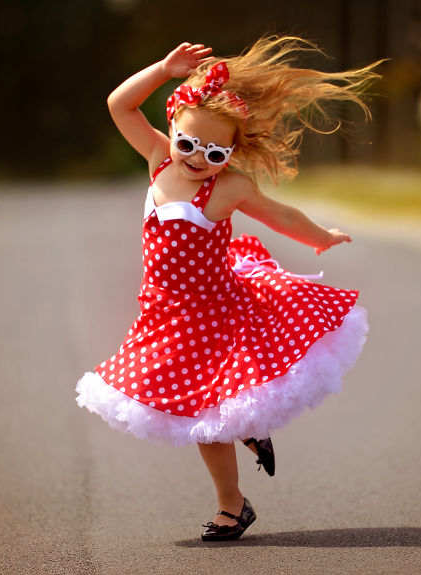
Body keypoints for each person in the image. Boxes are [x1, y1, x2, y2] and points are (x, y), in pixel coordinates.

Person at [75, 36, 376, 541]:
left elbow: (279, 216)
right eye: (188, 143)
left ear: (232, 151)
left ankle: (231, 506)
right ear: (172, 127)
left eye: (214, 151)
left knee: (207, 418)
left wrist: (320, 237)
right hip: (165, 317)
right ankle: (247, 441)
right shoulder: (158, 160)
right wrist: (165, 69)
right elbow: (118, 104)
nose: (196, 158)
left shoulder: (229, 187)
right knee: (195, 407)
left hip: (218, 313)